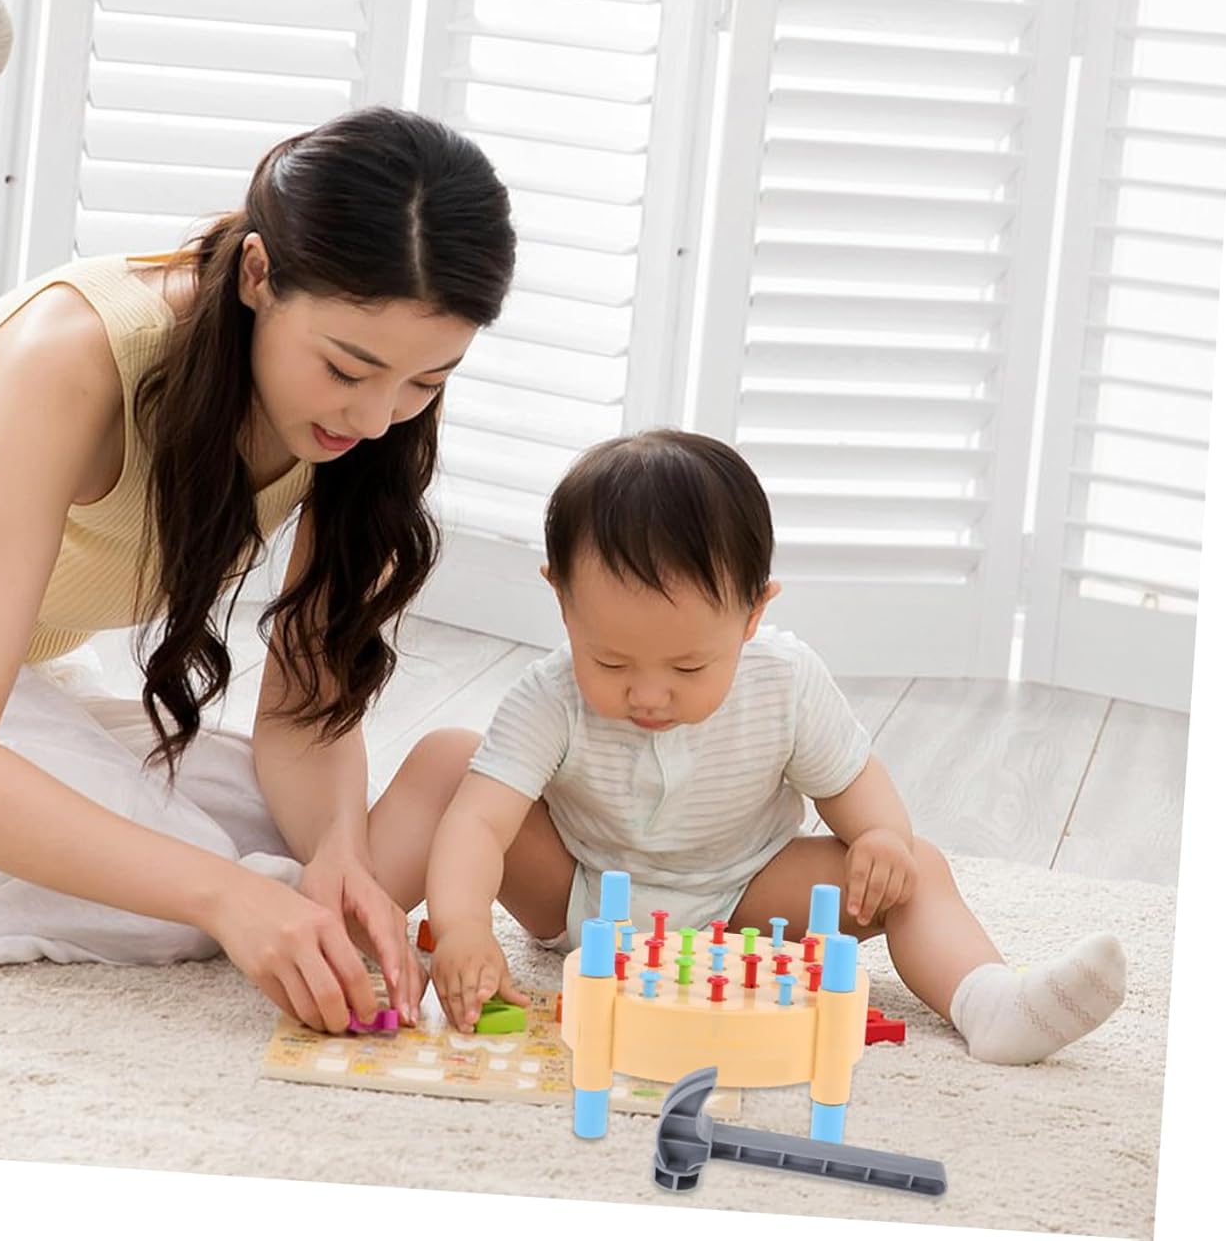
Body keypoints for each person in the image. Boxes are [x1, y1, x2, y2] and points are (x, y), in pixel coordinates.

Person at [0, 105, 516, 1035]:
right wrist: (224, 899)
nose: (375, 418)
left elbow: (306, 711)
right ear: (258, 275)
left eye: (427, 381)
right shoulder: (75, 360)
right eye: (346, 369)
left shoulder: (369, 416)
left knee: (263, 839)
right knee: (183, 891)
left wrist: (337, 850)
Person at [420, 429, 1128, 1065]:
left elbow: (852, 783)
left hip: (746, 899)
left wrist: (881, 836)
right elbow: (481, 823)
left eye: (688, 667)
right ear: (562, 599)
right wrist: (462, 926)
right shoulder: (550, 695)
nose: (649, 695)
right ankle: (368, 922)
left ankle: (989, 1002)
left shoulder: (784, 681)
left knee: (916, 866)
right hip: (578, 893)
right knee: (453, 769)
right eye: (609, 661)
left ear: (754, 612)